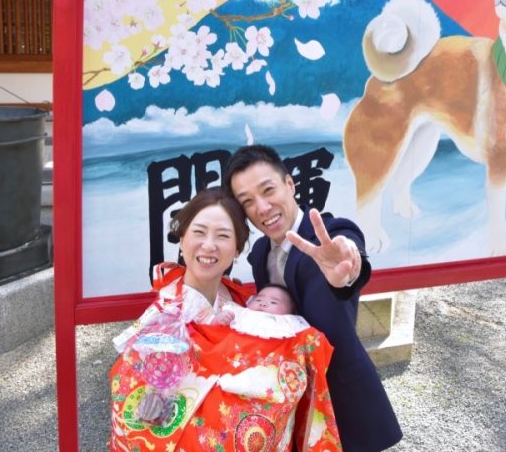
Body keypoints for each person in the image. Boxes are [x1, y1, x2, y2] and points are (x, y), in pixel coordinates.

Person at [109, 187, 340, 452]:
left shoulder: (243, 300)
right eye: (198, 232)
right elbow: (129, 389)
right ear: (182, 240)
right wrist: (151, 399)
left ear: (237, 250)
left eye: (222, 236)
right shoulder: (164, 317)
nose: (208, 245)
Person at [224, 144, 403, 452]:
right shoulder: (259, 255)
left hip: (343, 400)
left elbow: (349, 254)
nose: (262, 207)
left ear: (290, 184)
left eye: (268, 190)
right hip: (290, 399)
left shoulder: (329, 234)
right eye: (248, 202)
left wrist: (347, 270)